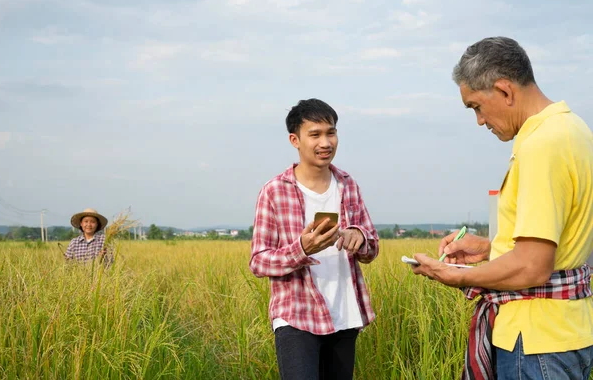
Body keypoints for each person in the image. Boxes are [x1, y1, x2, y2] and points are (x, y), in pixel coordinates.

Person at [411, 36, 593, 379]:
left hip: (537, 341)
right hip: (569, 331)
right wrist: (489, 248)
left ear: (505, 91)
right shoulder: (574, 129)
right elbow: (561, 239)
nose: (479, 120)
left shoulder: (541, 144)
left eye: (476, 106)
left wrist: (451, 275)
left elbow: (531, 267)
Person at [250, 98, 379, 380]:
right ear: (295, 140)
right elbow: (259, 261)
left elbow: (372, 247)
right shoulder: (274, 191)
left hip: (344, 314)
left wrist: (359, 236)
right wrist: (301, 249)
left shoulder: (348, 184)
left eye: (331, 133)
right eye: (315, 134)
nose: (326, 142)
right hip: (297, 315)